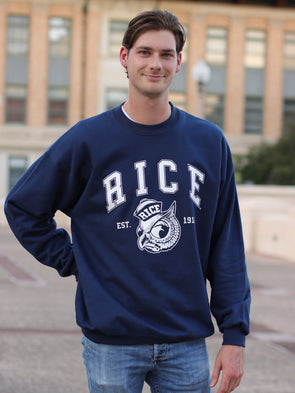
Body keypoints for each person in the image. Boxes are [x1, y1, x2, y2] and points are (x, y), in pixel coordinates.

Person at [4, 9, 250, 393]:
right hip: (111, 342)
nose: (155, 63)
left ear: (178, 62)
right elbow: (23, 207)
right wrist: (74, 261)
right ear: (125, 57)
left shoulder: (208, 142)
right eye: (145, 52)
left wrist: (234, 334)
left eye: (166, 54)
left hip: (185, 340)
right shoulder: (88, 139)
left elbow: (227, 244)